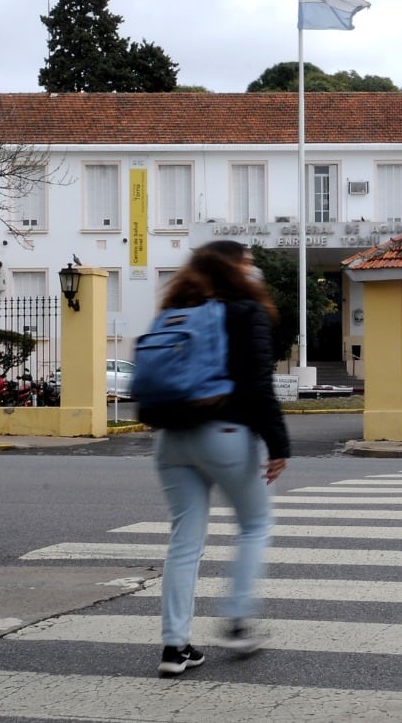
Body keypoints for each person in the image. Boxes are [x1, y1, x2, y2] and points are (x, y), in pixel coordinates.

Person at [154, 240, 290, 677]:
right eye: (250, 263)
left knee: (184, 541)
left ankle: (174, 648)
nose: (255, 270)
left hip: (172, 440)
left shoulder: (177, 308)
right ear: (235, 268)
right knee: (254, 524)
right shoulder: (247, 312)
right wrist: (279, 444)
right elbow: (258, 385)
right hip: (226, 433)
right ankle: (235, 620)